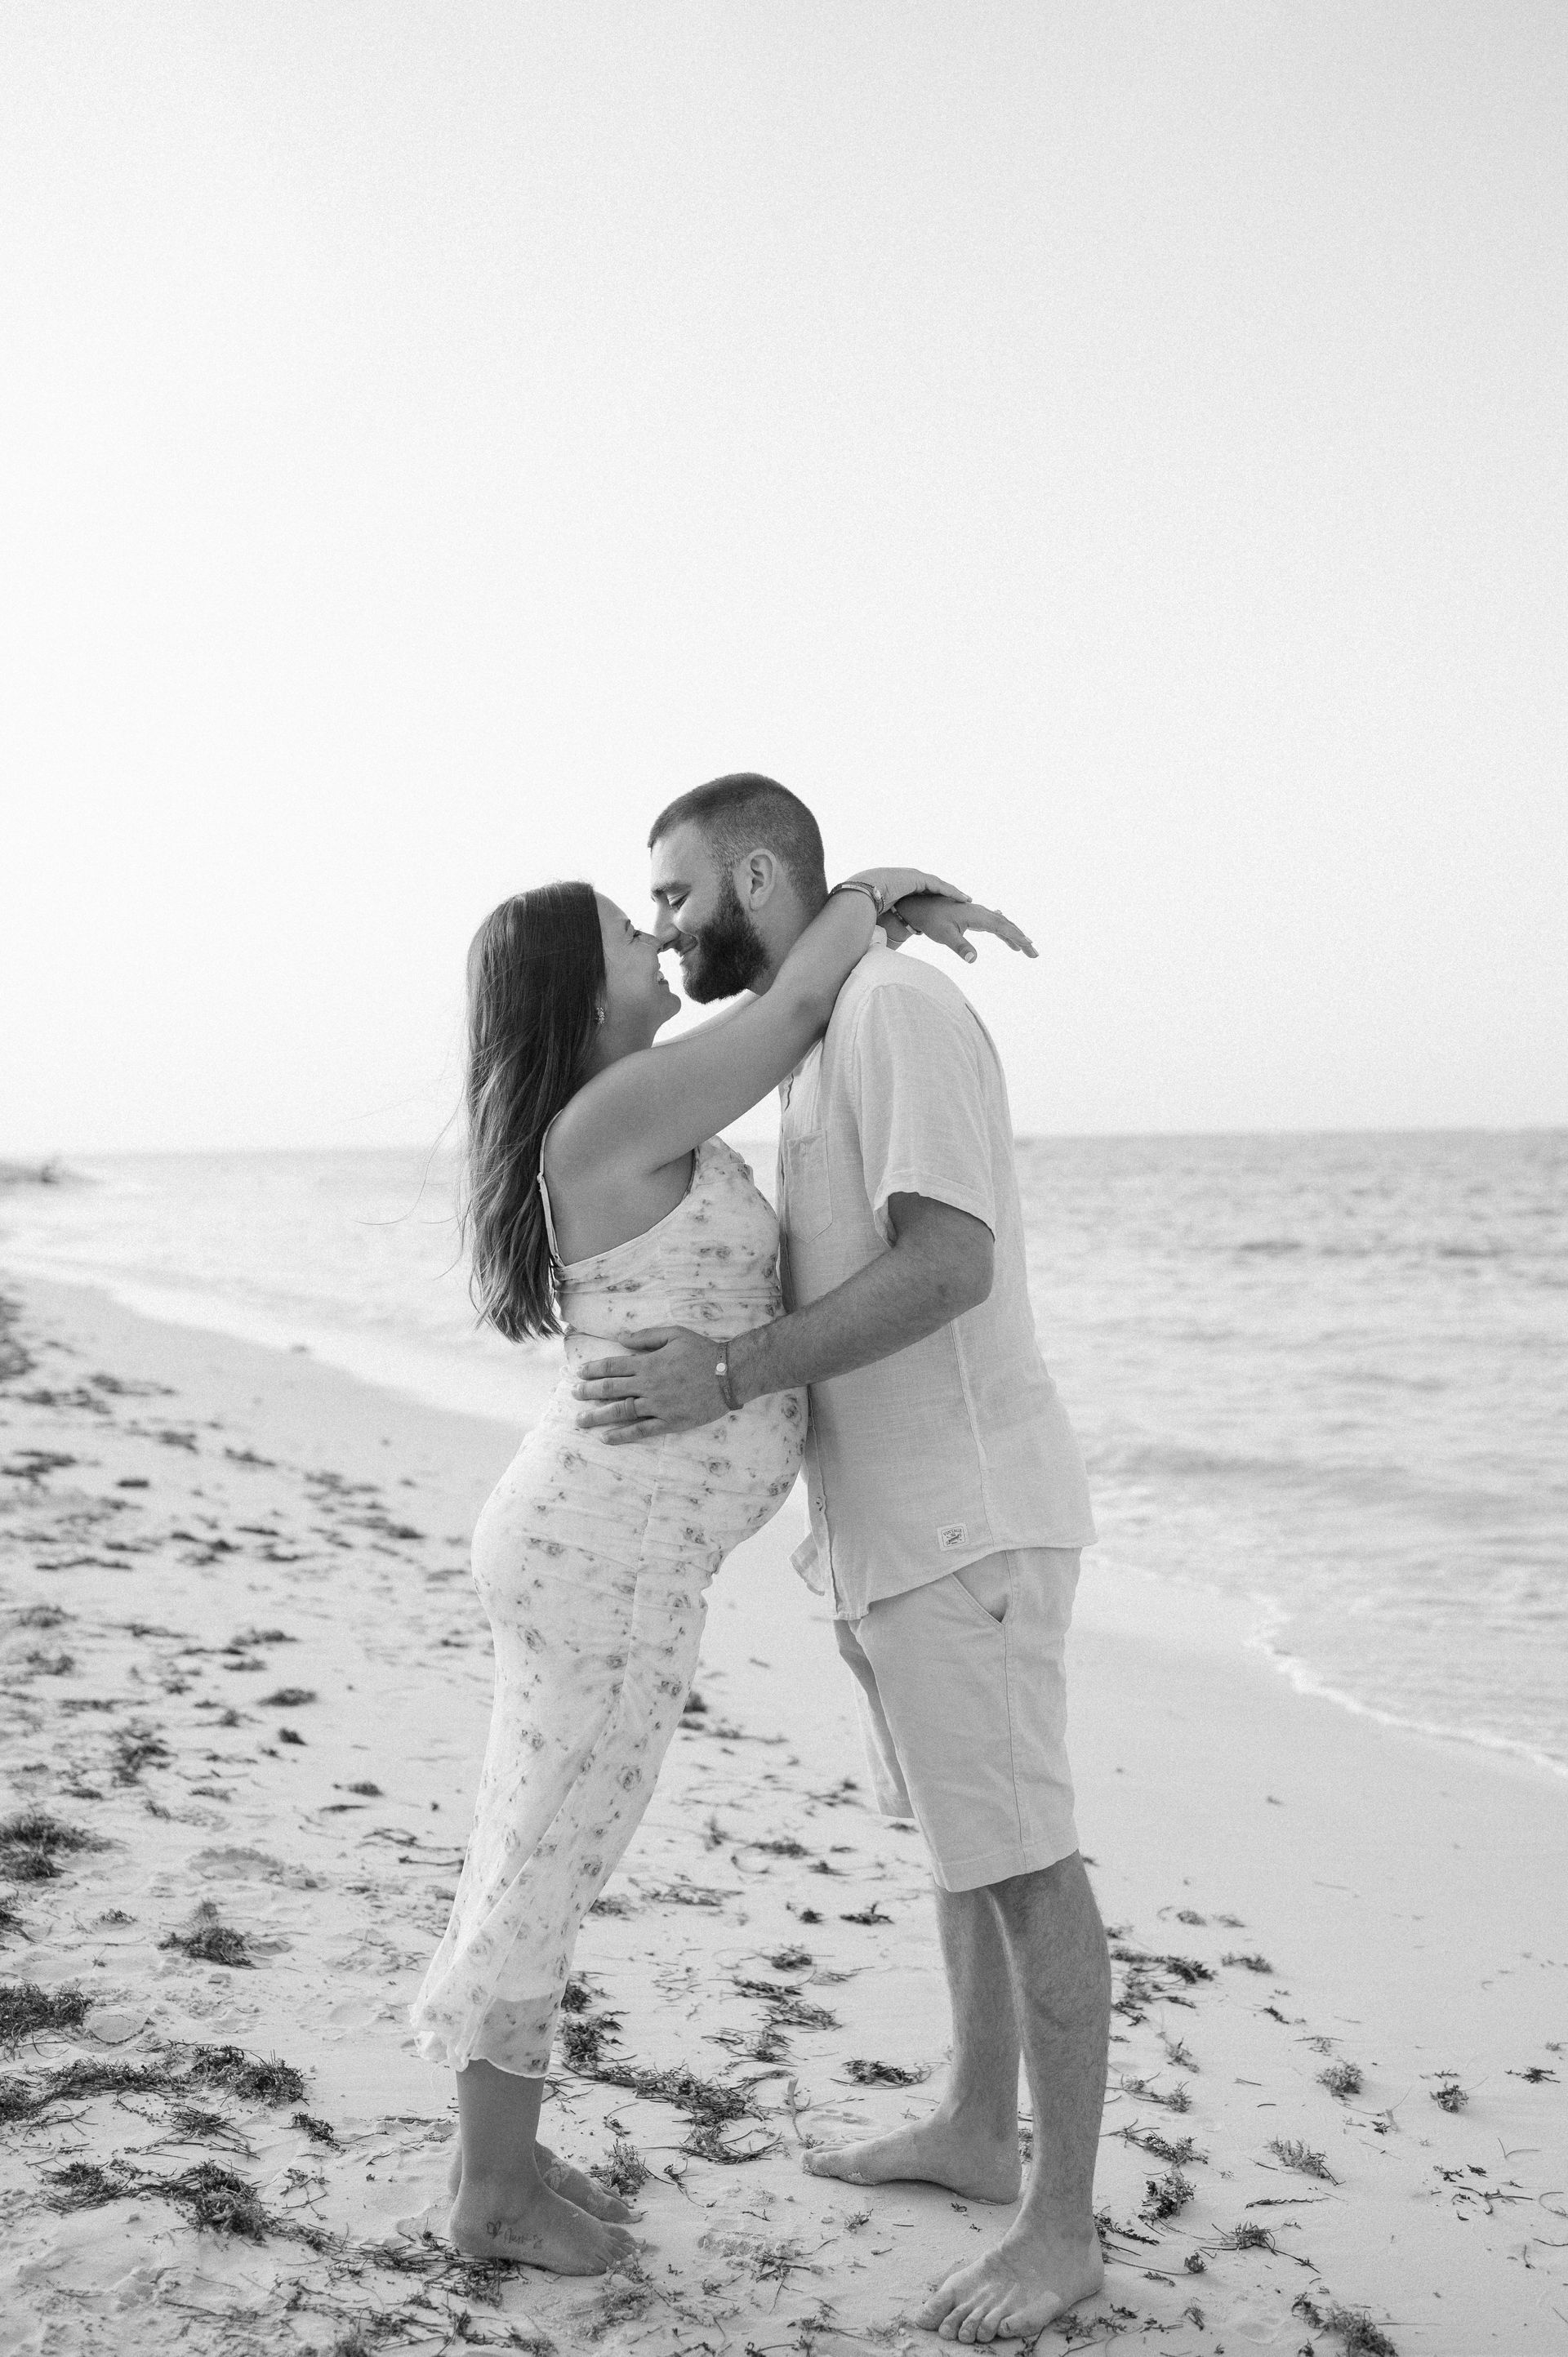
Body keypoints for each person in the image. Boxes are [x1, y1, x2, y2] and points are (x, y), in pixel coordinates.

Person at [409, 833, 1019, 2275]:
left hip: (607, 1550)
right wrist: (879, 889)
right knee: (548, 1855)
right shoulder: (611, 1108)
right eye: (634, 931)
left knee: (537, 1841)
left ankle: (495, 2150)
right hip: (605, 1558)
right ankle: (490, 2194)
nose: (661, 948)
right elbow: (796, 1011)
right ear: (580, 991)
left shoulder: (612, 1114)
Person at [572, 773, 1109, 2343]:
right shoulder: (819, 1034)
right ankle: (968, 2122)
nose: (665, 934)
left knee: (1023, 1856)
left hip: (969, 1520)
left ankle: (1060, 2224)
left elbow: (950, 1262)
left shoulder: (895, 1019)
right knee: (961, 1841)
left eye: (674, 896)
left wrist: (729, 1375)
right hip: (880, 1533)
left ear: (754, 872)